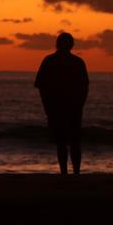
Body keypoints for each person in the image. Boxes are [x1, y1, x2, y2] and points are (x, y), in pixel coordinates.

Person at [34, 32, 89, 175]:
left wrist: (47, 106)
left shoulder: (52, 61)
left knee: (65, 142)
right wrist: (79, 105)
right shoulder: (75, 62)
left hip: (62, 107)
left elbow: (41, 86)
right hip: (63, 107)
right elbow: (84, 87)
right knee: (69, 142)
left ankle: (68, 172)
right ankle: (71, 172)